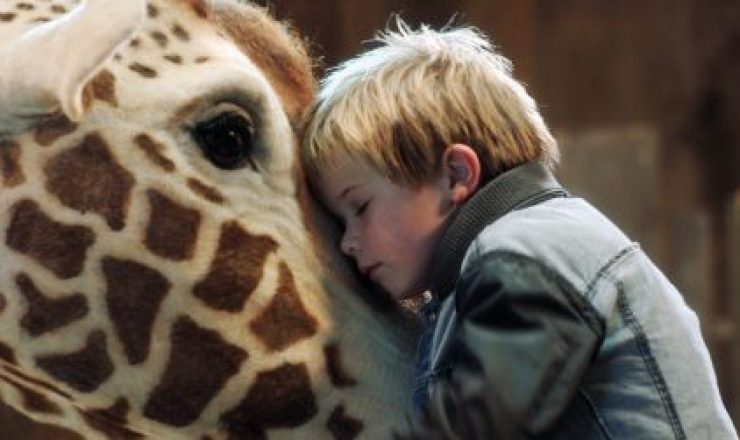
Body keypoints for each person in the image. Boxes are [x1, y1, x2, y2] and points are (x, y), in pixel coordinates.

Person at [300, 20, 737, 439]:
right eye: (341, 222)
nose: (347, 242)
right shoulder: (503, 260)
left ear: (455, 175)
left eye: (360, 207)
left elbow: (476, 425)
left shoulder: (525, 255)